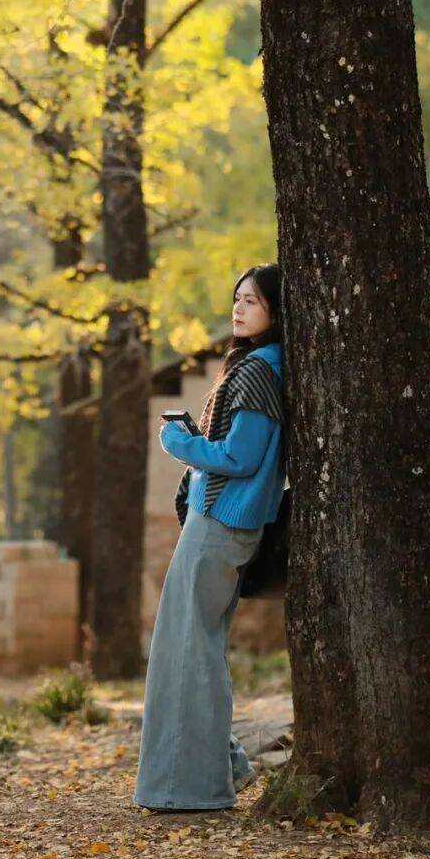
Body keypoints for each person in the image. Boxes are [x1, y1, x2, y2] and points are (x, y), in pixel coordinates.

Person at [134, 264, 286, 813]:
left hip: (220, 523)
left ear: (277, 311)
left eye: (253, 301)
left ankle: (189, 788)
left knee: (184, 652)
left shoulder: (259, 370)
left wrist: (179, 442)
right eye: (237, 298)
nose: (239, 308)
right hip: (224, 521)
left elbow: (240, 458)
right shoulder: (266, 364)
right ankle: (224, 767)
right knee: (193, 648)